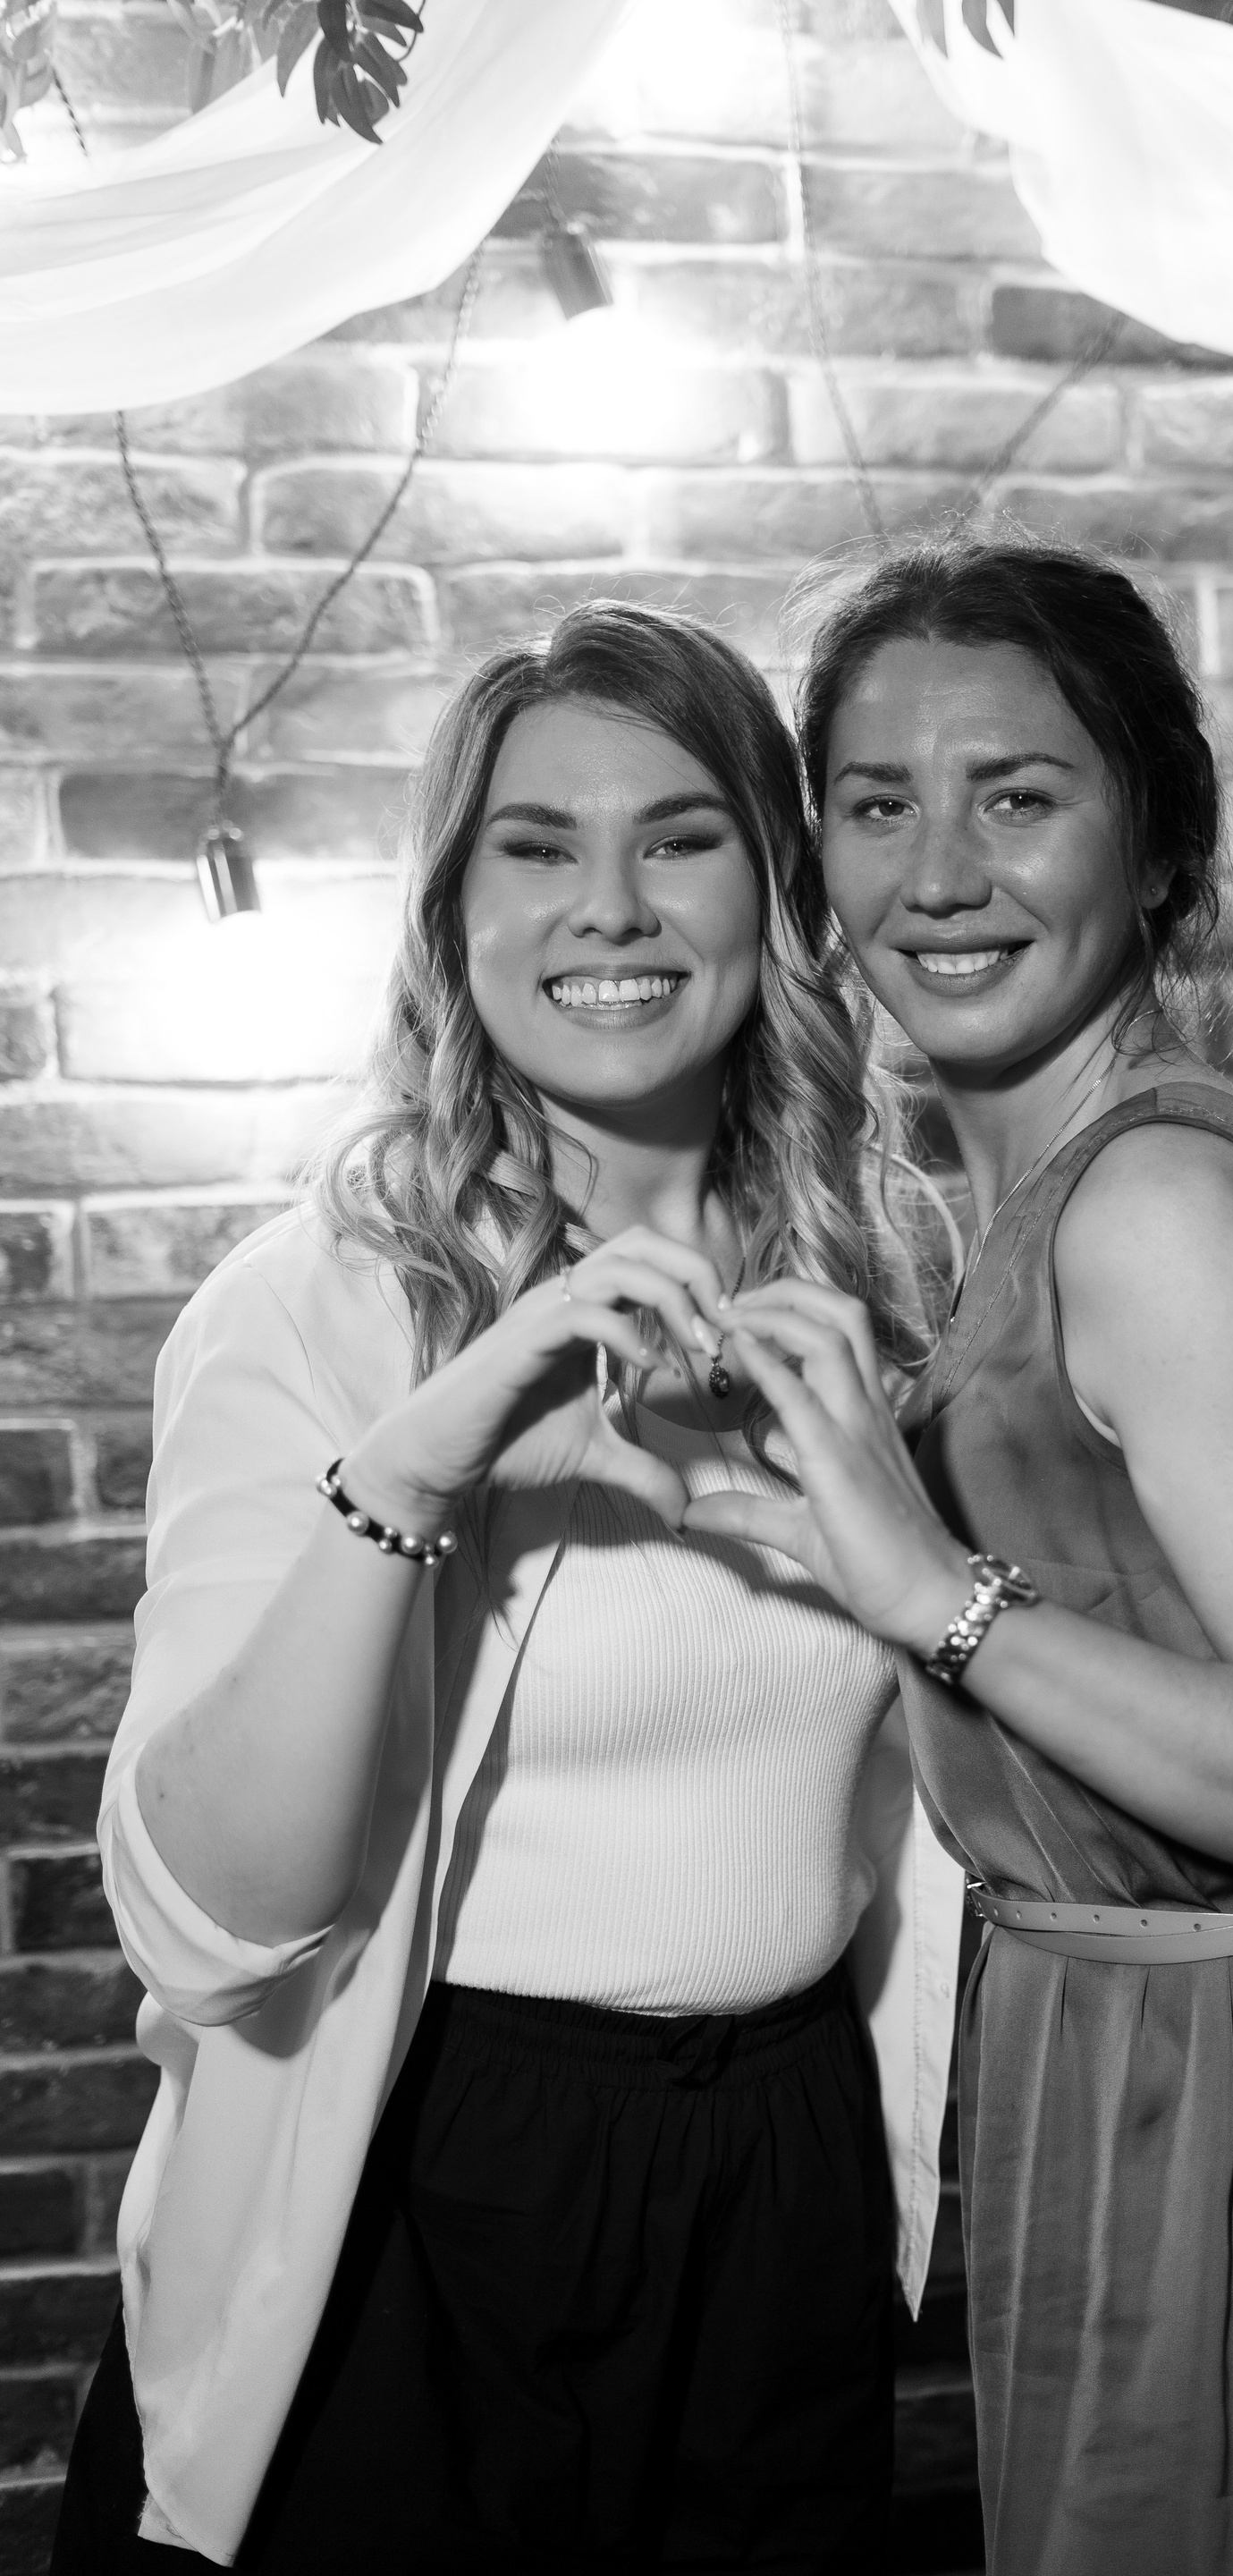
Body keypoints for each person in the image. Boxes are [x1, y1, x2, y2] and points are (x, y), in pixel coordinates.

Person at [53, 601, 965, 2574]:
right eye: (537, 846)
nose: (610, 906)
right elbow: (213, 1931)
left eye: (681, 837)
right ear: (452, 911)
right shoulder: (316, 1310)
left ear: (776, 888)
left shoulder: (891, 1296)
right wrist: (414, 1471)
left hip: (782, 2177)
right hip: (431, 2182)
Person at [685, 539, 1233, 2576]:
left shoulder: (1158, 1207)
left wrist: (936, 1599)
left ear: (1158, 845)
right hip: (1121, 2081)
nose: (939, 874)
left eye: (1019, 796)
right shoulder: (1032, 1204)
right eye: (878, 806)